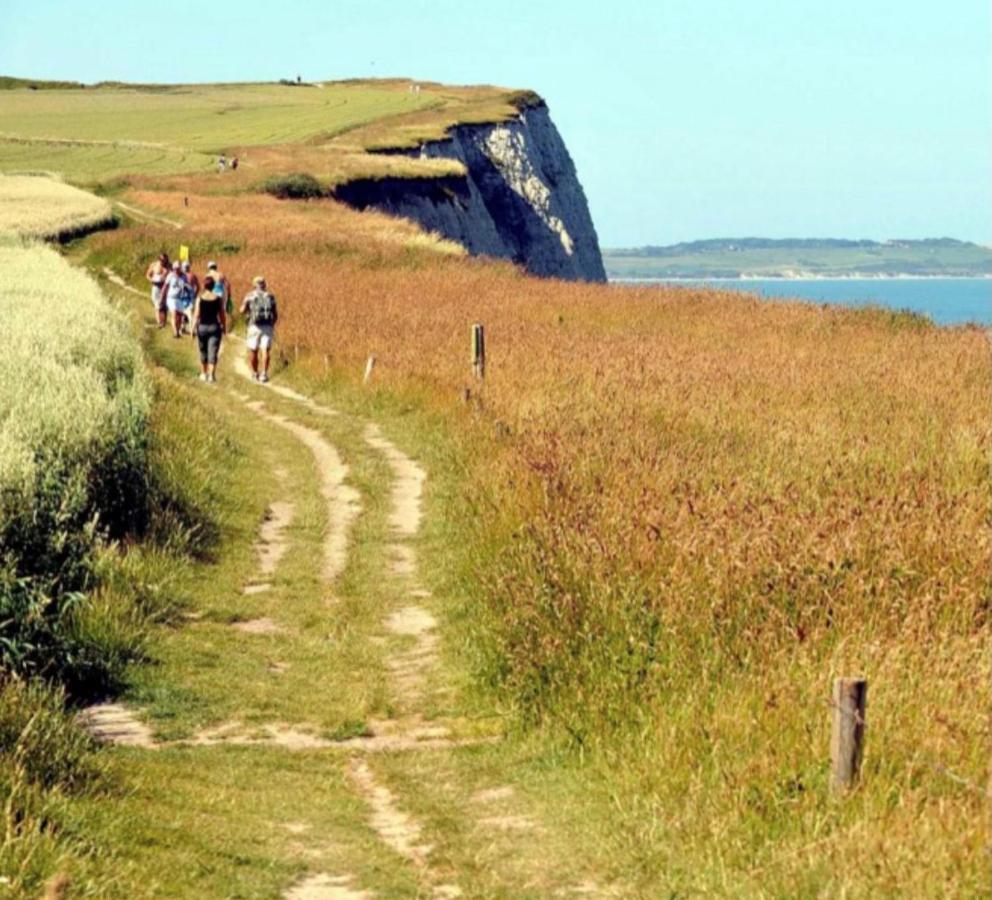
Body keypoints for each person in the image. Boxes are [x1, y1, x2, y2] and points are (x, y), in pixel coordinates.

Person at [240, 276, 278, 383]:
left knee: (253, 350)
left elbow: (242, 311)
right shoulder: (270, 296)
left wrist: (247, 309)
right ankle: (264, 374)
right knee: (265, 350)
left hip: (253, 326)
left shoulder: (250, 296)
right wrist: (272, 324)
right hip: (267, 326)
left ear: (254, 285)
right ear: (264, 284)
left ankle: (254, 373)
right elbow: (275, 314)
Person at [191, 275, 226, 383]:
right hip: (214, 327)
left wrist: (192, 328)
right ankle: (211, 375)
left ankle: (203, 373)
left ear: (204, 285)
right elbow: (222, 314)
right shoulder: (218, 299)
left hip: (202, 327)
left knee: (203, 350)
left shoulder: (199, 299)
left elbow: (196, 314)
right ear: (214, 286)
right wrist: (224, 326)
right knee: (213, 351)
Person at [163, 261, 189, 338]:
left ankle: (178, 330)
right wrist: (163, 296)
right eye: (175, 269)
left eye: (177, 269)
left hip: (180, 298)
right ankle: (175, 332)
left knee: (179, 316)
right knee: (174, 314)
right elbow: (165, 286)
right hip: (171, 298)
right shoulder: (170, 276)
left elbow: (186, 286)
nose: (176, 270)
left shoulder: (184, 276)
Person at [145, 252, 170, 328]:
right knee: (157, 305)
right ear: (159, 259)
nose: (163, 262)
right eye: (162, 260)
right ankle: (159, 322)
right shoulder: (154, 265)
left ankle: (163, 322)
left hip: (165, 287)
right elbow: (147, 275)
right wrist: (152, 280)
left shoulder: (169, 266)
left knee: (164, 306)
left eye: (165, 260)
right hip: (156, 287)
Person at [180, 261, 199, 334]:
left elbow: (197, 286)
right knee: (189, 313)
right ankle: (189, 328)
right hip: (189, 296)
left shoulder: (182, 275)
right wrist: (195, 294)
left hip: (185, 296)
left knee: (183, 312)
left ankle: (184, 327)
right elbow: (197, 287)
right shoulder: (192, 275)